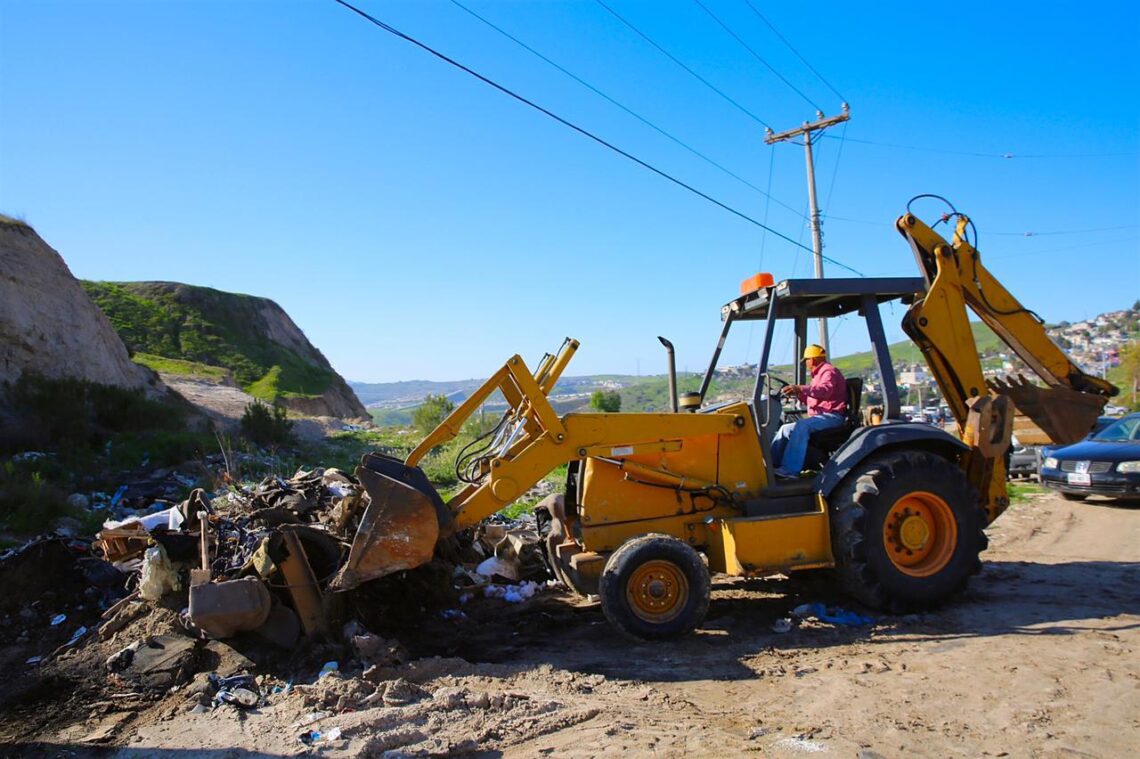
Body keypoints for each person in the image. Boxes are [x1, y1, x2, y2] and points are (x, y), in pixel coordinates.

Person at [771, 344, 848, 478]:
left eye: (806, 360)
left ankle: (790, 470)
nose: (806, 363)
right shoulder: (818, 375)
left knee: (802, 426)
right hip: (821, 417)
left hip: (832, 416)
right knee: (785, 429)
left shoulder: (829, 372)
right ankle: (772, 464)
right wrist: (798, 394)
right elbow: (814, 399)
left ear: (812, 360)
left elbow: (825, 391)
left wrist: (801, 388)